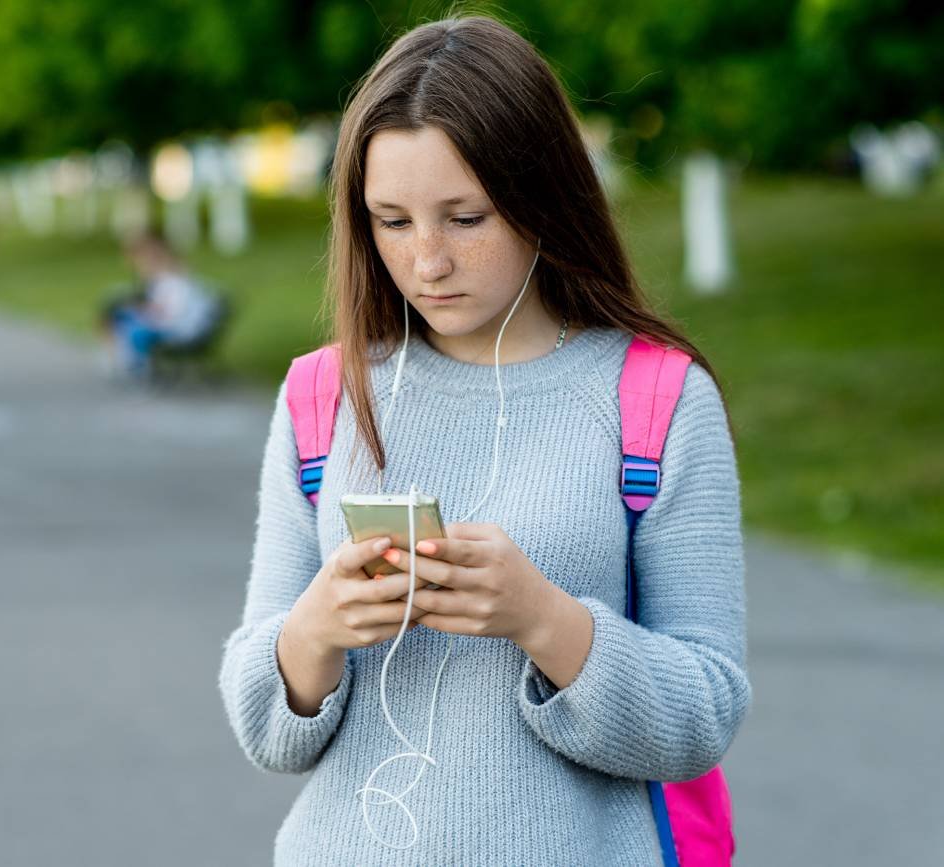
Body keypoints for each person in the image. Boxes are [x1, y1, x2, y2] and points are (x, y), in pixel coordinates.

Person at [218, 17, 750, 865]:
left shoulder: (656, 397)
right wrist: (313, 630)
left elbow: (704, 714)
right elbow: (264, 729)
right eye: (391, 221)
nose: (427, 260)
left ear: (542, 195)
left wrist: (544, 619)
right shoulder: (323, 394)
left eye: (465, 217)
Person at [99, 230, 220, 381]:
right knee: (119, 315)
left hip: (177, 328)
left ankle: (130, 363)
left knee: (129, 324)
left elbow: (169, 312)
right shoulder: (169, 282)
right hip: (174, 324)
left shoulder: (175, 284)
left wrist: (144, 309)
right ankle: (124, 360)